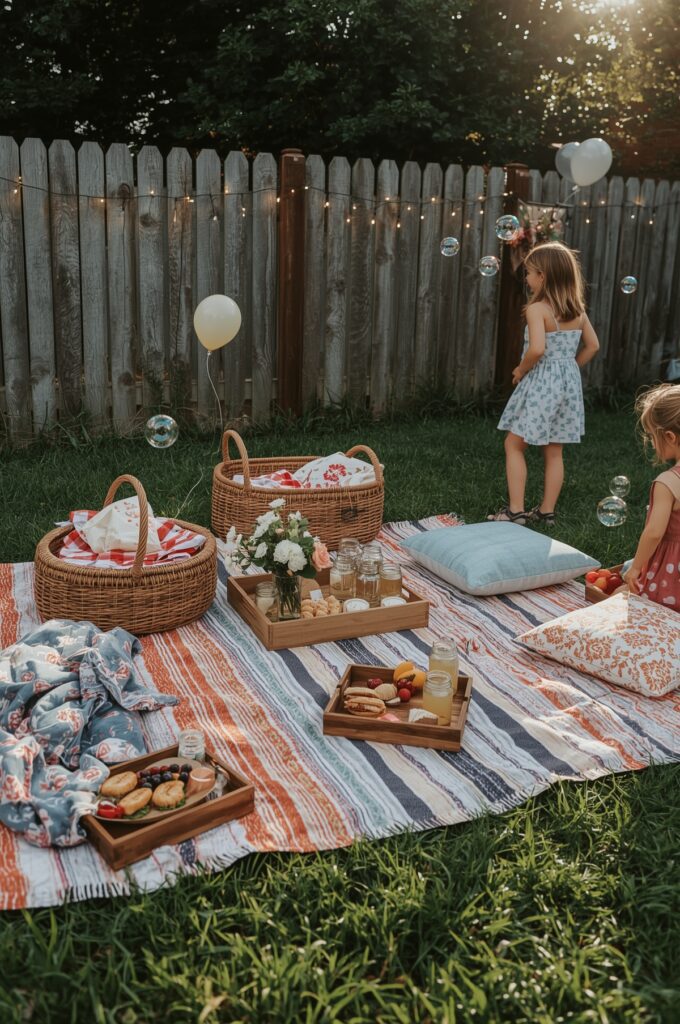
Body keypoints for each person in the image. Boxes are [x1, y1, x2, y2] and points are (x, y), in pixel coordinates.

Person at [488, 242, 600, 525]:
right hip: (567, 387)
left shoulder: (538, 309)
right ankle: (546, 512)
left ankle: (515, 512)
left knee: (514, 444)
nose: (526, 278)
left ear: (543, 276)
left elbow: (536, 349)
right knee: (554, 450)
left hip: (541, 385)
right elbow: (593, 346)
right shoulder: (578, 311)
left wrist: (520, 370)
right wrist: (570, 368)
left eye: (529, 273)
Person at [623, 384, 680, 609]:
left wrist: (636, 568)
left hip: (672, 573)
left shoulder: (668, 482)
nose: (651, 443)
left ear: (669, 436)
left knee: (630, 594)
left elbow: (654, 533)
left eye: (651, 436)